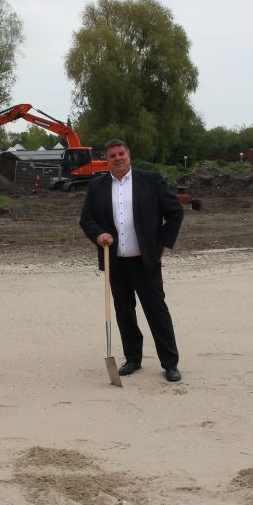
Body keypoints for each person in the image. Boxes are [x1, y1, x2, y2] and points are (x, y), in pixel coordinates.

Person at [79, 139, 185, 382]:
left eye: (122, 153)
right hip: (115, 261)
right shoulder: (97, 185)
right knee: (124, 312)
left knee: (156, 311)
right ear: (106, 159)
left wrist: (164, 244)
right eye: (113, 155)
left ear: (129, 155)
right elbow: (87, 219)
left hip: (145, 261)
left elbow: (175, 212)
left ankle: (170, 363)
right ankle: (133, 359)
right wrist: (98, 234)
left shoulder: (150, 180)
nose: (118, 158)